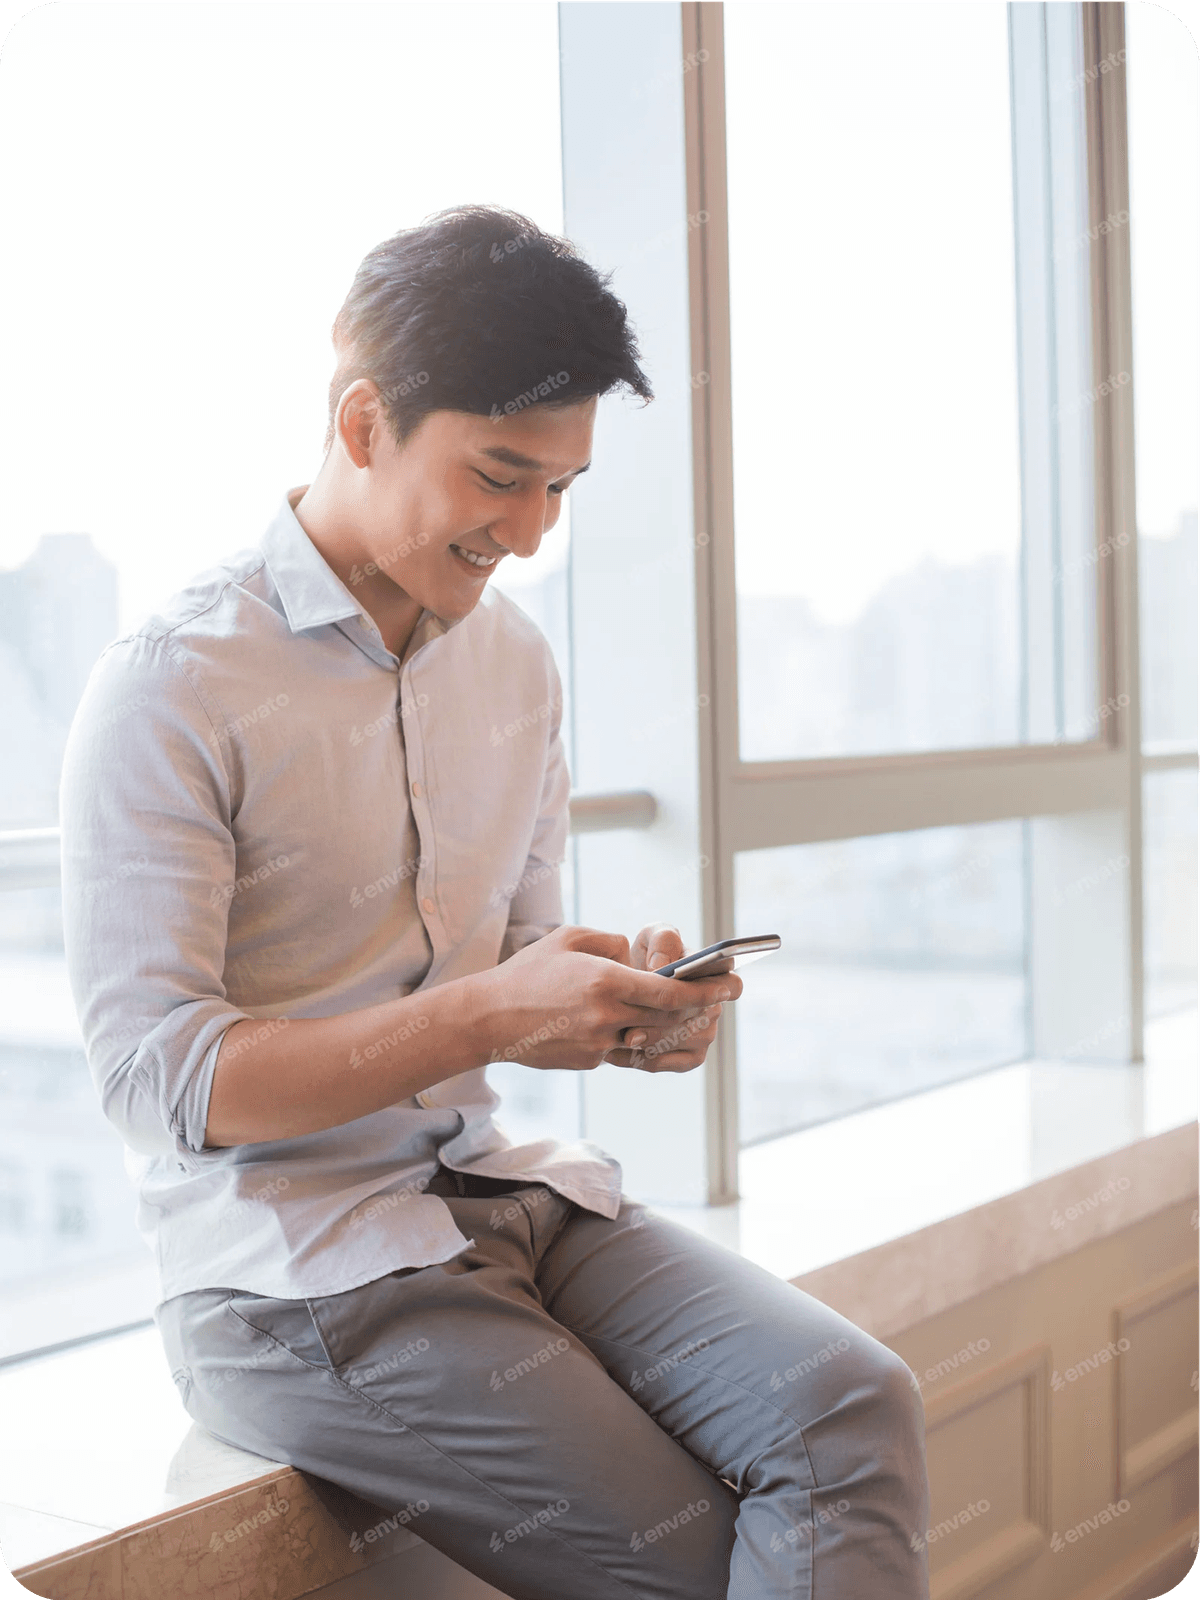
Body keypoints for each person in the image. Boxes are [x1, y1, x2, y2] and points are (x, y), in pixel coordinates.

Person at [60, 205, 930, 1599]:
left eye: (562, 491)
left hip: (499, 1198)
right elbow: (167, 1081)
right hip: (292, 1279)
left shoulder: (513, 663)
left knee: (853, 1407)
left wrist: (619, 1006)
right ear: (361, 424)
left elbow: (513, 951)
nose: (528, 533)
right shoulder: (171, 685)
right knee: (704, 1568)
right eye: (499, 477)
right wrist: (491, 1010)